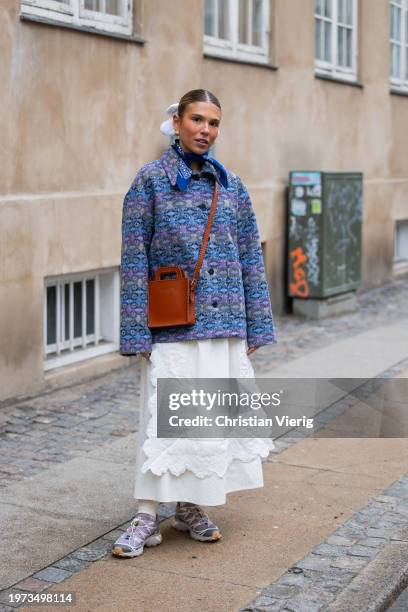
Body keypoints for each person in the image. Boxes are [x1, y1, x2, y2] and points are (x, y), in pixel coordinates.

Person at [112, 89, 277, 558]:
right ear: (177, 122)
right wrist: (135, 330)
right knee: (161, 423)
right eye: (197, 120)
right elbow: (133, 258)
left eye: (213, 123)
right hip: (173, 325)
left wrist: (256, 326)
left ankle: (189, 507)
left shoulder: (232, 186)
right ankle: (146, 515)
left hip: (225, 323)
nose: (205, 130)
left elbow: (250, 255)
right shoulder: (150, 181)